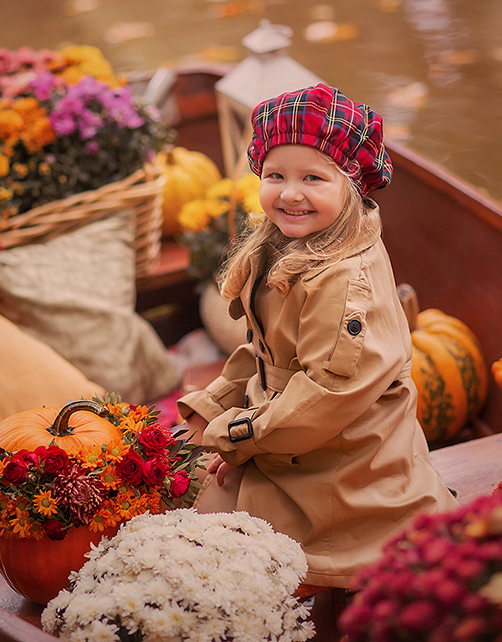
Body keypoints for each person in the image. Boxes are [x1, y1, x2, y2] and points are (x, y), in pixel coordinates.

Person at [177, 83, 459, 591]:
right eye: (275, 175)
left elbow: (325, 396)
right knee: (177, 490)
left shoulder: (344, 280)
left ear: (351, 185)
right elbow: (265, 351)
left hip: (343, 466)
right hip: (283, 434)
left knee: (208, 548)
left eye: (313, 177)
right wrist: (212, 403)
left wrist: (235, 436)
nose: (289, 193)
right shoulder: (282, 244)